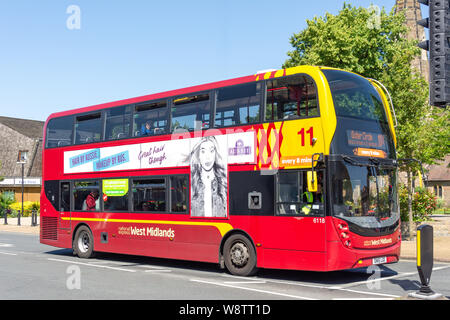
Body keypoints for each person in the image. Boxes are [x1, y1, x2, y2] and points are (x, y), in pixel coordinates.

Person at [190, 136, 227, 217]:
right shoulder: (192, 184)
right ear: (198, 156)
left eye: (211, 151)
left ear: (215, 153)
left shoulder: (223, 183)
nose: (208, 157)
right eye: (203, 152)